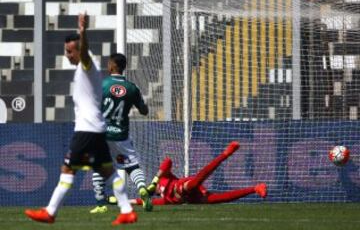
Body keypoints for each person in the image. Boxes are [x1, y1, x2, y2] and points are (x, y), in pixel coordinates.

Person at [24, 13, 136, 226]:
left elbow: (84, 52)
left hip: (86, 131)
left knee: (68, 169)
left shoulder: (87, 65)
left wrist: (83, 32)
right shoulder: (83, 69)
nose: (67, 55)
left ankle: (50, 212)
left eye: (69, 51)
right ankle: (126, 210)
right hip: (95, 130)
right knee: (108, 172)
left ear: (78, 50)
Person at [89, 53, 152, 214]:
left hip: (103, 134)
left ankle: (101, 203)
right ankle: (142, 188)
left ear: (111, 66)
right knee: (132, 166)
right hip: (122, 135)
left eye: (108, 63)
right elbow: (144, 111)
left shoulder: (102, 85)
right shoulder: (132, 87)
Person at [132, 141, 267, 205]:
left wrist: (156, 179)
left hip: (185, 185)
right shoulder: (164, 200)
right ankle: (255, 188)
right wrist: (125, 202)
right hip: (192, 198)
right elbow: (140, 201)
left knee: (191, 184)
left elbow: (167, 161)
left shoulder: (162, 178)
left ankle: (226, 153)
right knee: (219, 199)